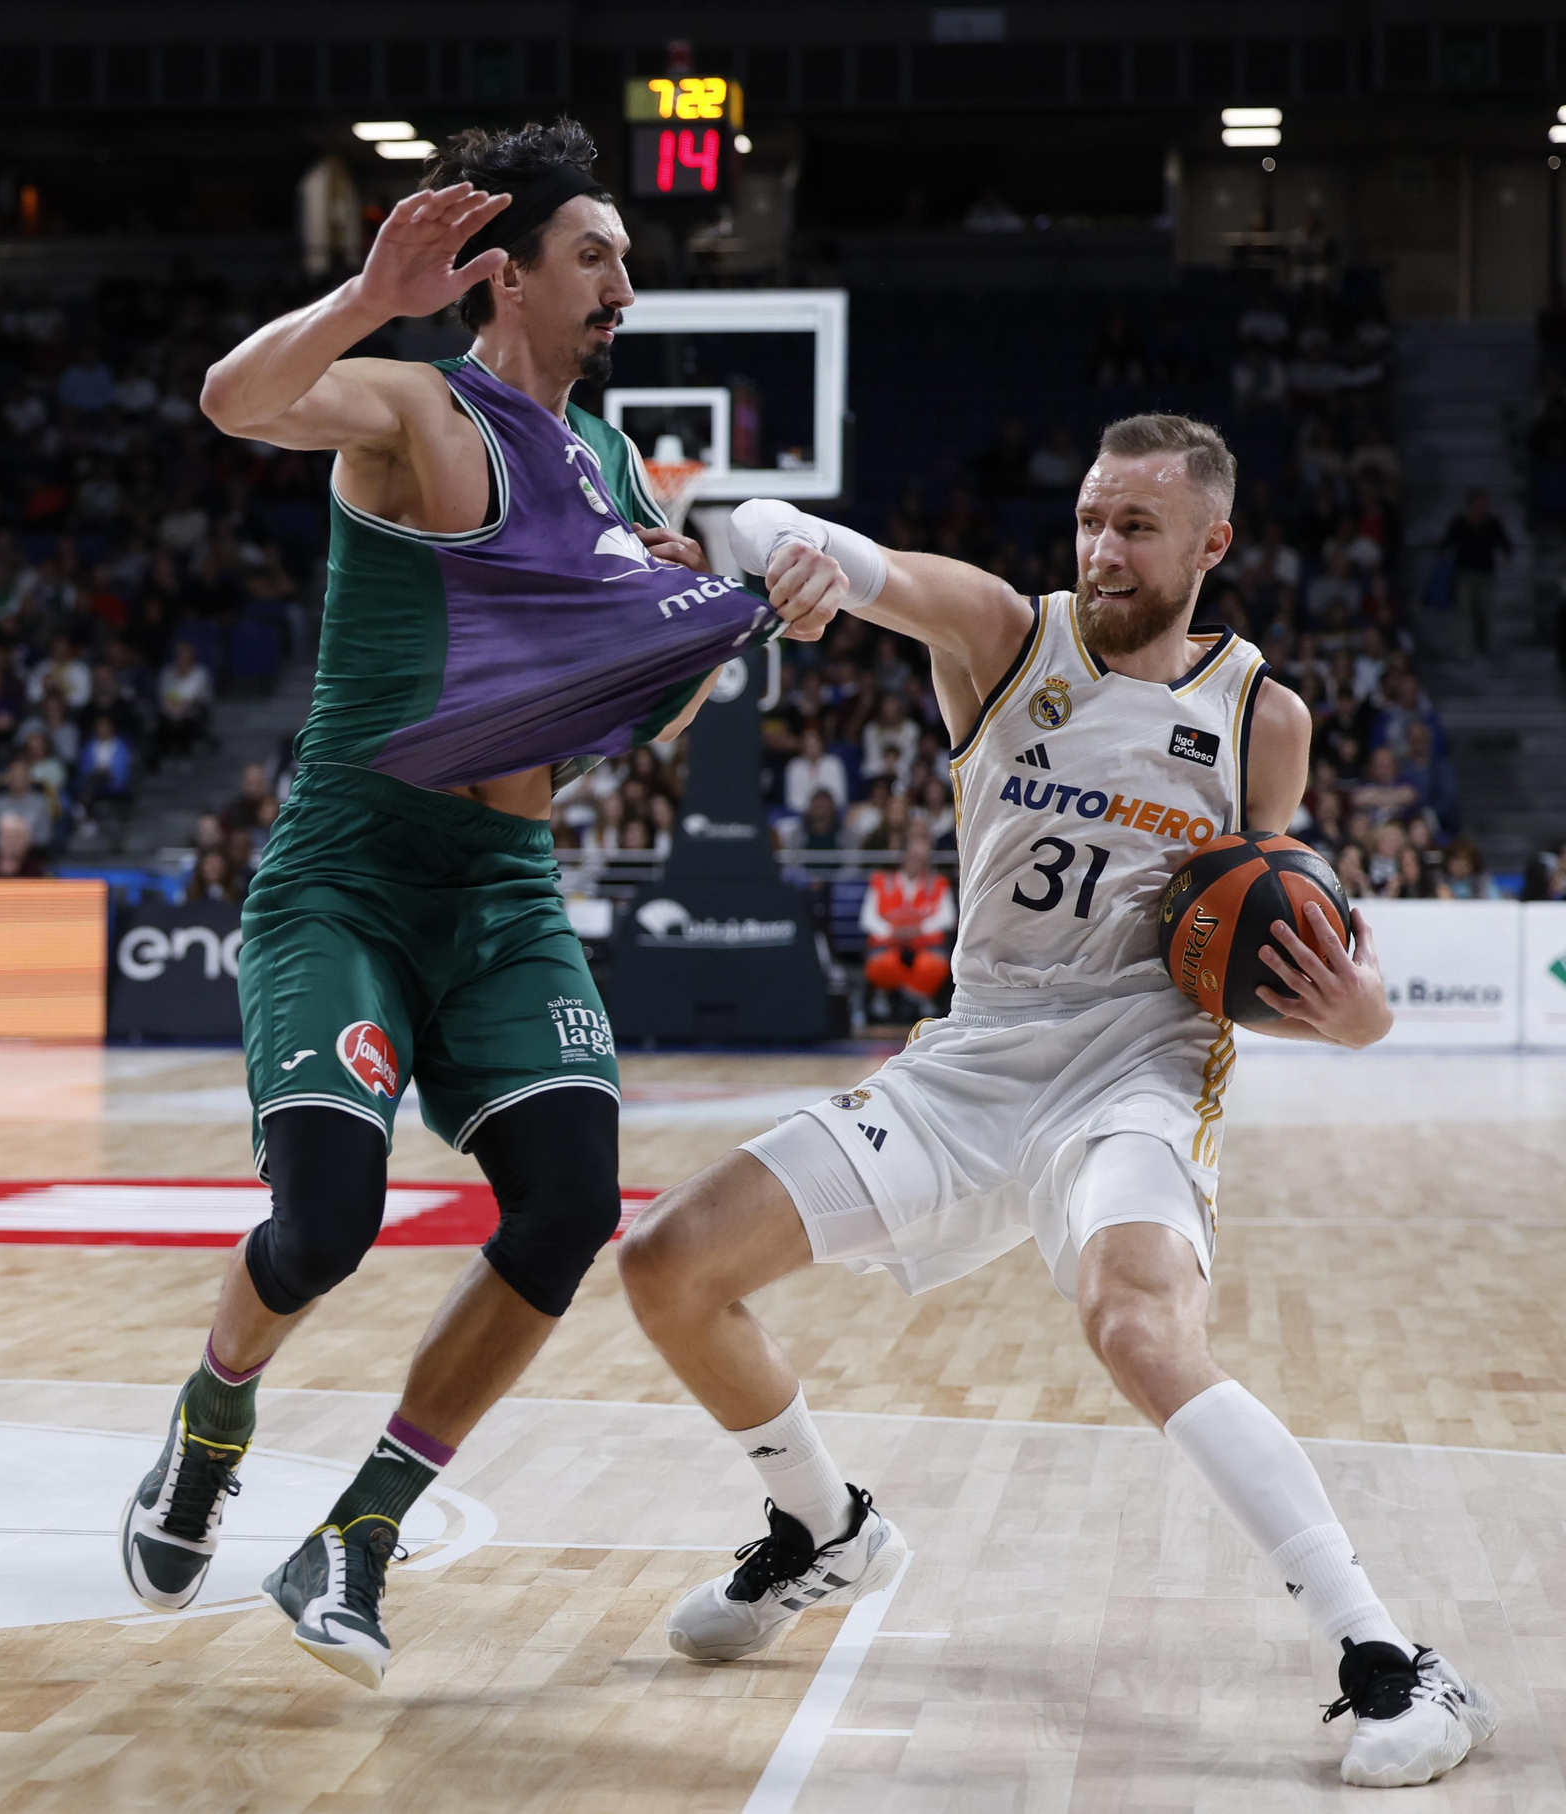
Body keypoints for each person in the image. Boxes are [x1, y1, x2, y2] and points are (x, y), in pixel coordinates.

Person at [618, 414, 1495, 1790]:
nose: (1101, 547)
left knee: (1134, 1319)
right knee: (668, 1264)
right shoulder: (1000, 634)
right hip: (970, 1064)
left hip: (1135, 1066)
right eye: (1092, 517)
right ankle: (822, 1523)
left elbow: (1316, 950)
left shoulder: (1264, 716)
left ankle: (1388, 1657)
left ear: (1212, 542)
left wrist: (1362, 1016)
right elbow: (818, 545)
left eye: (1137, 526)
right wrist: (767, 545)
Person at [118, 117, 807, 1688]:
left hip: (503, 889)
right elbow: (238, 401)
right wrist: (369, 293)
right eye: (598, 254)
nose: (627, 279)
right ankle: (212, 1416)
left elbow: (634, 727)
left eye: (632, 256)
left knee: (566, 1207)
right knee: (325, 1225)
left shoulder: (626, 467)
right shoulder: (424, 408)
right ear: (509, 275)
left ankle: (356, 1532)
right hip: (350, 877)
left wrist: (694, 647)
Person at [861, 825, 955, 1011]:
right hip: (889, 943)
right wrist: (892, 931)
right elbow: (867, 919)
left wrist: (920, 929)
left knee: (933, 966)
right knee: (880, 965)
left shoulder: (938, 883)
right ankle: (911, 998)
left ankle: (910, 997)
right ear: (904, 857)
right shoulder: (881, 881)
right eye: (914, 857)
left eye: (922, 859)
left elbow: (947, 918)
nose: (918, 863)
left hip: (925, 945)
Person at [1438, 488, 1513, 659]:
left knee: (1484, 611)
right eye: (1477, 504)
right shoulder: (1460, 523)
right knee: (1466, 611)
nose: (1480, 507)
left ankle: (1484, 644)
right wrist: (1445, 555)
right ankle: (1467, 646)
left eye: (1483, 504)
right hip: (1464, 574)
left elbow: (1503, 542)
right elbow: (1447, 542)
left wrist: (1507, 556)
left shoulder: (1492, 523)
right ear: (1470, 505)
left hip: (1485, 575)